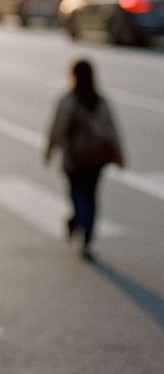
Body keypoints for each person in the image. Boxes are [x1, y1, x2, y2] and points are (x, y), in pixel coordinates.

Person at [44, 57, 125, 262]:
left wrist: (50, 150)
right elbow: (111, 131)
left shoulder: (69, 100)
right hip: (96, 158)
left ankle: (78, 222)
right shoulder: (100, 101)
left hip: (75, 158)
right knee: (90, 196)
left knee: (77, 194)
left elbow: (57, 128)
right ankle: (86, 236)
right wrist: (119, 155)